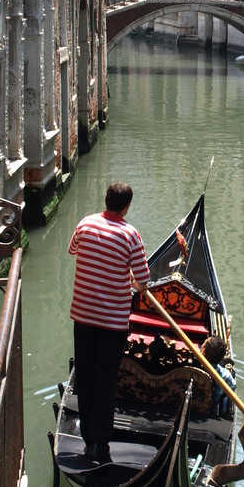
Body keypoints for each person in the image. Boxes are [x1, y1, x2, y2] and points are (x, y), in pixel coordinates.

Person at [68, 181, 151, 465]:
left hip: (83, 316)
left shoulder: (85, 224)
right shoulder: (131, 235)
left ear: (105, 200)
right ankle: (99, 444)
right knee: (105, 380)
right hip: (112, 324)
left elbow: (73, 249)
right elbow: (143, 283)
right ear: (127, 206)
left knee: (86, 377)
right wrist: (128, 279)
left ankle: (88, 438)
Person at [200, 335, 236, 416]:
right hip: (209, 413)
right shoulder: (226, 376)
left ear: (203, 351)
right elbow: (233, 386)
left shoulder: (191, 367)